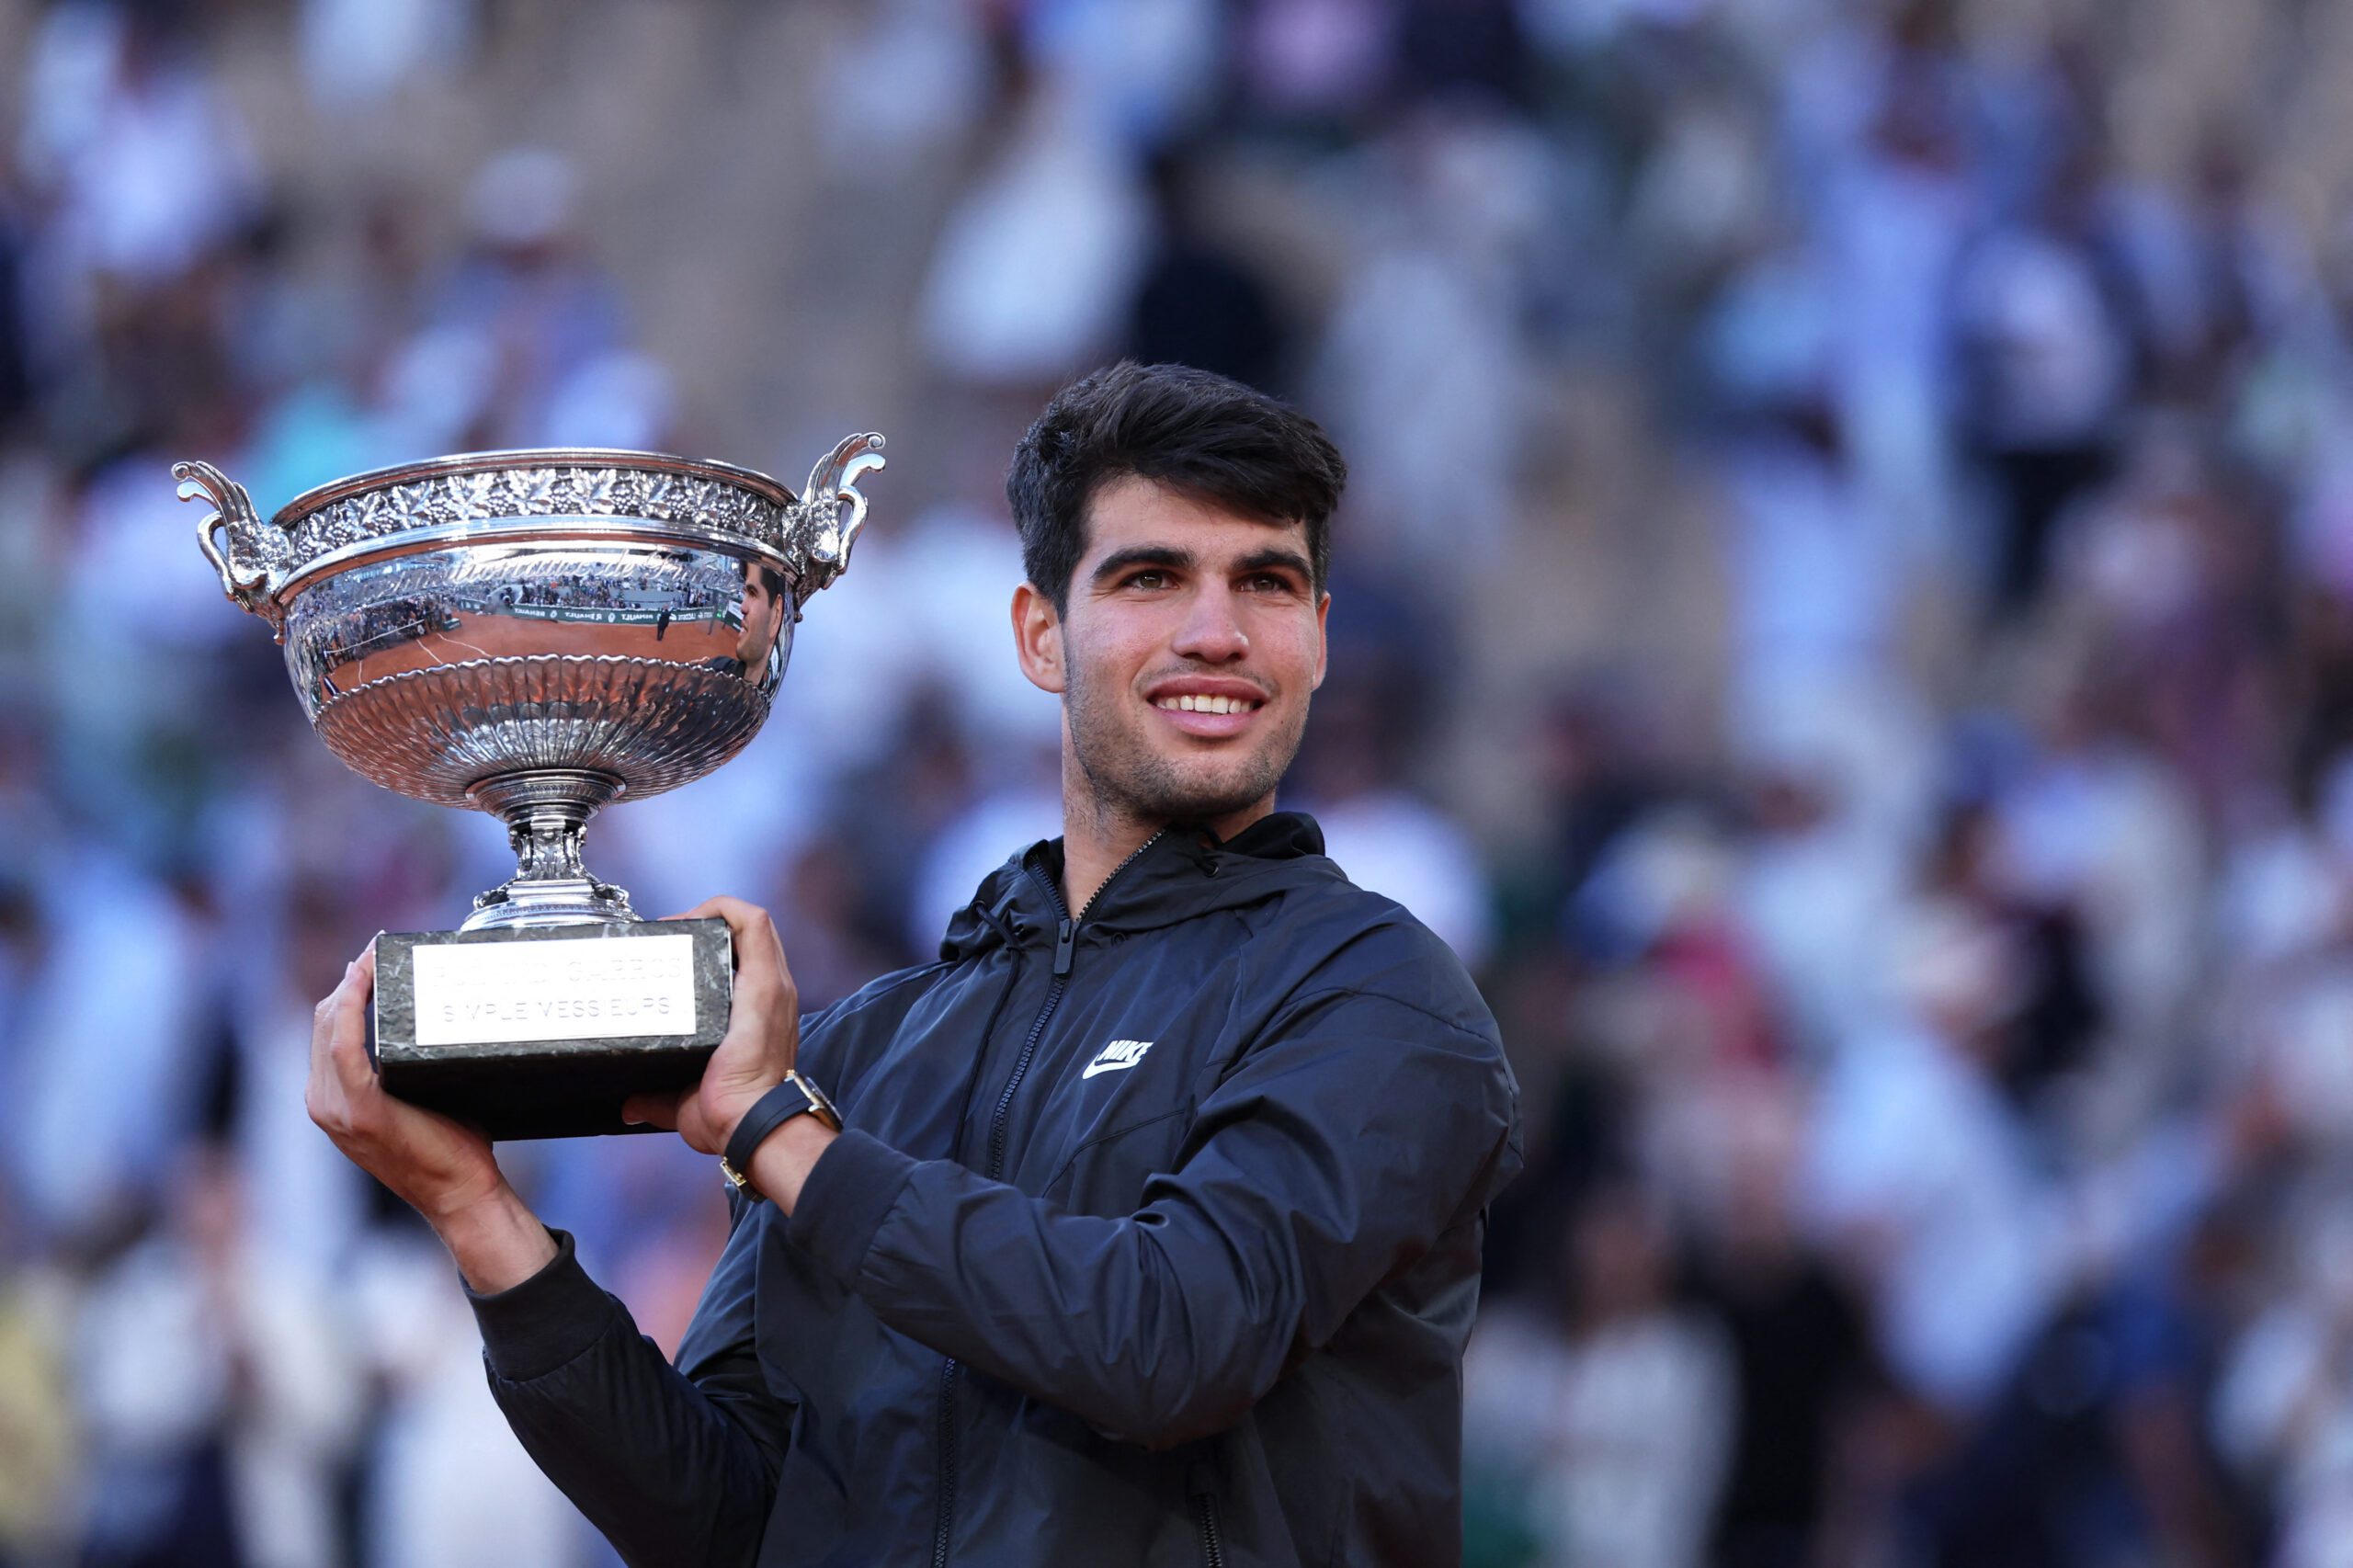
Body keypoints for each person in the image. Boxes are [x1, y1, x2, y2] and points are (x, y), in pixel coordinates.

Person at [304, 361, 1524, 1565]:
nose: (1216, 632)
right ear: (1041, 633)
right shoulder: (863, 1054)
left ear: (1315, 636)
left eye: (1266, 582)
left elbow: (1173, 1341)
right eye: (1151, 577)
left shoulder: (1375, 995)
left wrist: (780, 1136)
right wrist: (478, 1216)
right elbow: (724, 1522)